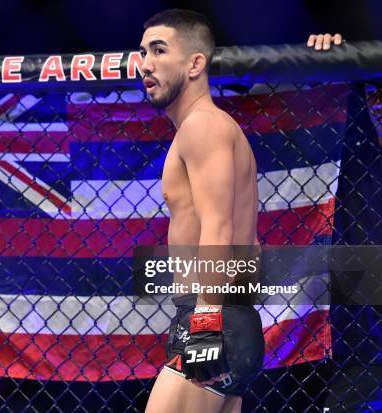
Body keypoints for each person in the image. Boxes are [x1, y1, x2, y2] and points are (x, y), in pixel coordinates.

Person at [139, 9, 264, 413]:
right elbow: (252, 247)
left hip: (210, 315)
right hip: (229, 316)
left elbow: (219, 226)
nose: (146, 64)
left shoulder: (203, 126)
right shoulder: (214, 127)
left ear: (195, 64)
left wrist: (208, 322)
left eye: (159, 50)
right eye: (143, 52)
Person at [308, 33, 382, 412]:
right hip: (358, 342)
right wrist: (329, 50)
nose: (381, 104)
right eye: (374, 93)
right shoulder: (353, 159)